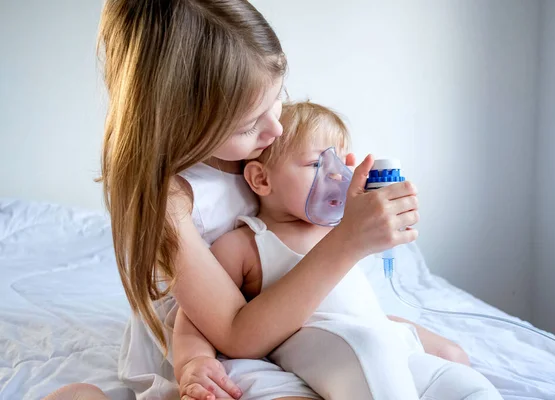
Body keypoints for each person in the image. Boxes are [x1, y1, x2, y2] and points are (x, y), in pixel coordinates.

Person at [44, 1, 466, 399]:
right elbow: (234, 332)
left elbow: (298, 235)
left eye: (276, 102)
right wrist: (349, 242)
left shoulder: (257, 150)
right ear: (181, 120)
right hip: (214, 345)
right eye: (250, 124)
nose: (276, 131)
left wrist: (342, 199)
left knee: (448, 358)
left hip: (290, 315)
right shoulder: (170, 201)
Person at [207, 101, 502, 399]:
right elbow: (201, 318)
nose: (336, 175)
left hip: (379, 338)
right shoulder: (245, 243)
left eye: (340, 162)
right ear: (262, 179)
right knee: (371, 349)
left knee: (463, 380)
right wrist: (194, 360)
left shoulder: (343, 228)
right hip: (324, 345)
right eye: (316, 164)